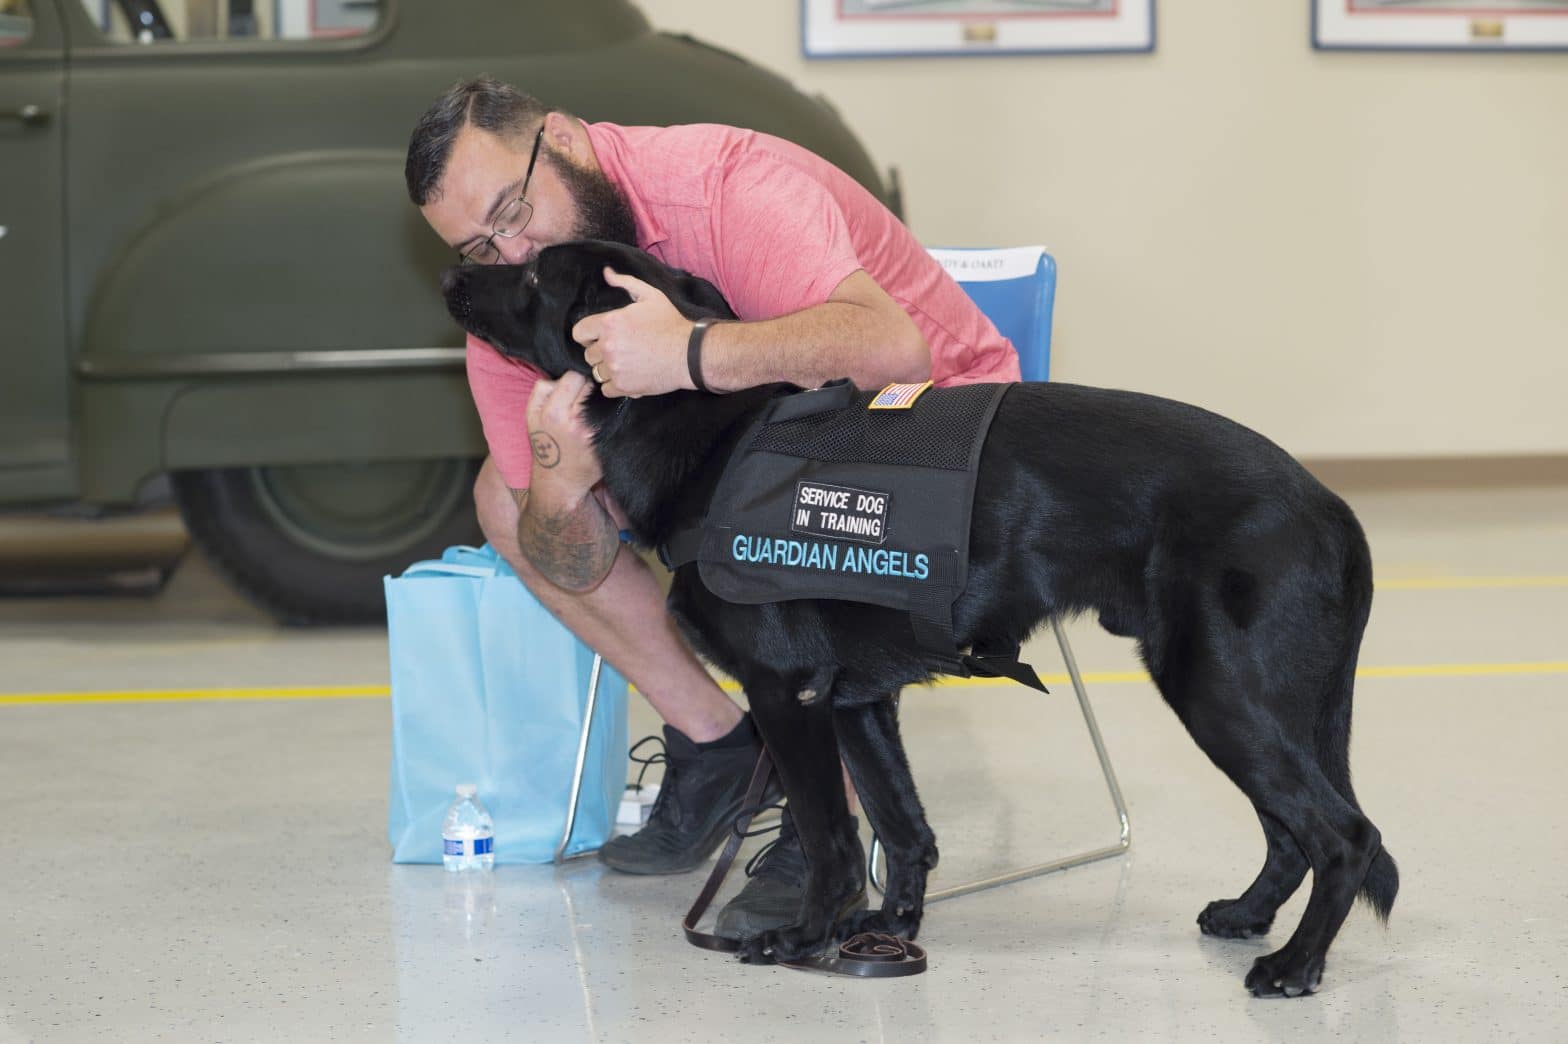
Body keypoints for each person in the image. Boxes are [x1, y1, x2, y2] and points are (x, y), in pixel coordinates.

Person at [405, 77, 1020, 937]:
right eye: (480, 245)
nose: (512, 250)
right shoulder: (518, 292)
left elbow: (894, 355)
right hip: (762, 448)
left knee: (788, 493)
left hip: (936, 430)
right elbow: (568, 559)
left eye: (514, 210)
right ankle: (721, 742)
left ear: (565, 139)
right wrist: (559, 480)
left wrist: (690, 354)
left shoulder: (724, 188)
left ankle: (826, 821)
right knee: (506, 502)